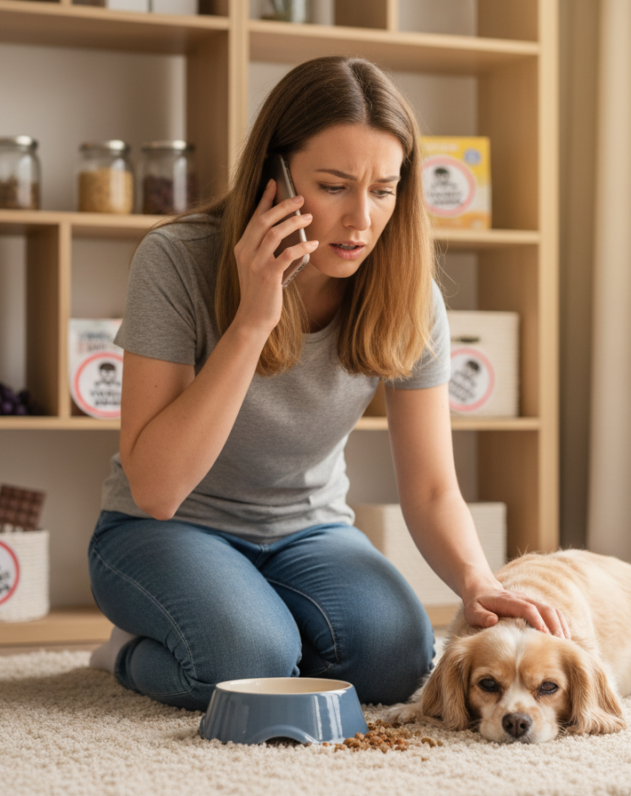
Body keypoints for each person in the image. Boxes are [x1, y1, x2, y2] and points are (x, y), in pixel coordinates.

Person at [87, 55, 570, 711]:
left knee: (400, 659)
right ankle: (127, 652)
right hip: (162, 531)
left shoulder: (409, 294)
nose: (362, 220)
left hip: (308, 532)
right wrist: (254, 320)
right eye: (335, 186)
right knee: (247, 663)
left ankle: (265, 626)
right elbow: (157, 488)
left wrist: (476, 581)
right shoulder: (176, 259)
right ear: (275, 177)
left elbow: (430, 486)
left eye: (383, 189)